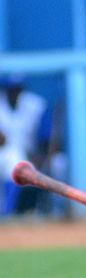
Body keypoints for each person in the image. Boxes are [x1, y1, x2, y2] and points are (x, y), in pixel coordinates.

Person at [0, 74, 49, 216]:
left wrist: (42, 155)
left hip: (32, 154)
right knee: (12, 158)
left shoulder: (35, 104)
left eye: (18, 89)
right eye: (11, 89)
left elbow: (46, 137)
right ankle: (7, 213)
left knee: (59, 163)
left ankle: (55, 210)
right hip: (4, 154)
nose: (14, 93)